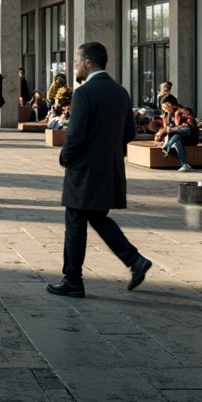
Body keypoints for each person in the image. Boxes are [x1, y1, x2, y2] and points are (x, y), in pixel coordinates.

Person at [48, 41, 151, 298]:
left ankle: (73, 280)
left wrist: (65, 157)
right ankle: (134, 260)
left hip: (84, 170)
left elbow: (76, 134)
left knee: (75, 221)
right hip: (110, 168)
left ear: (88, 63)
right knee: (96, 217)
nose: (73, 66)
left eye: (76, 61)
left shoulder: (83, 93)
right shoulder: (120, 92)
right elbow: (129, 132)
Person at [157, 94, 199, 172]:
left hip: (190, 136)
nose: (165, 110)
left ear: (172, 105)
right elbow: (168, 131)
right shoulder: (167, 115)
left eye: (166, 107)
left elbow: (189, 128)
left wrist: (173, 130)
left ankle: (167, 149)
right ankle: (185, 164)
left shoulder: (184, 111)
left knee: (178, 134)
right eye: (163, 108)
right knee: (176, 140)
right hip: (178, 137)